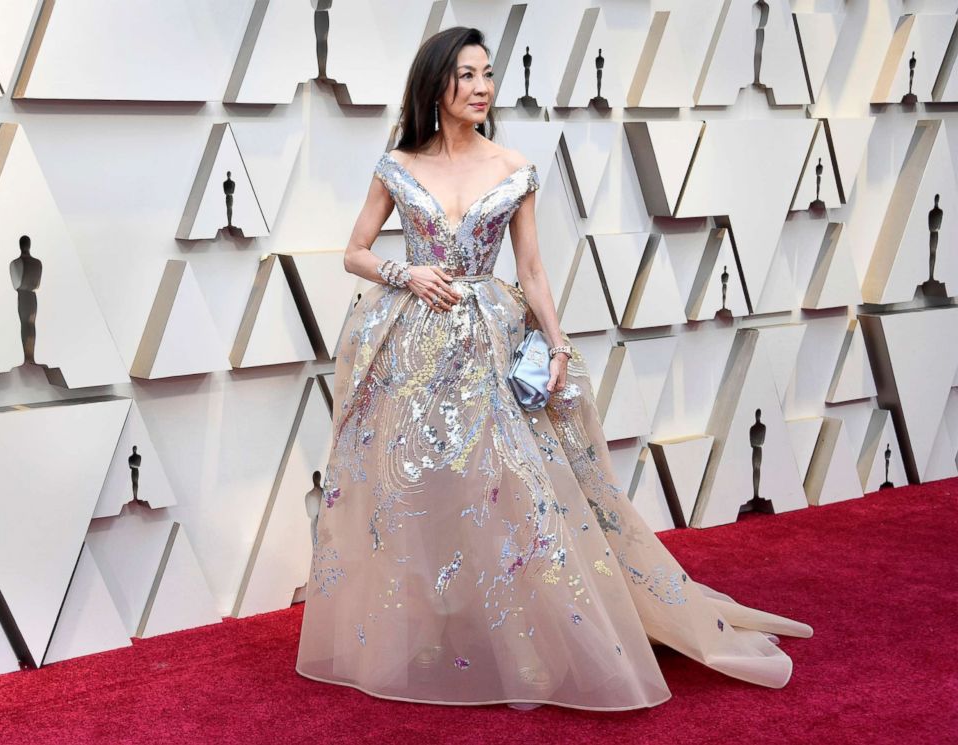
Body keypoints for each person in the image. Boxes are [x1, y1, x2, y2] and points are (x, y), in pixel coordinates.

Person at [295, 26, 812, 711]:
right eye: (467, 76)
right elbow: (355, 251)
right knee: (414, 490)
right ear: (436, 85)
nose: (482, 88)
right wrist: (407, 271)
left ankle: (526, 641)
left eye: (487, 75)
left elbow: (532, 268)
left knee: (513, 487)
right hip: (414, 350)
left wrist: (558, 344)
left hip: (491, 342)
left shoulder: (512, 167)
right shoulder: (398, 164)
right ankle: (422, 632)